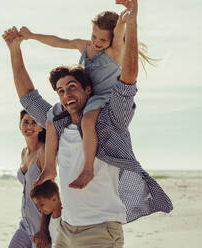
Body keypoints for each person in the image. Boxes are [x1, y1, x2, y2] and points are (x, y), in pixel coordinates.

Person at [2, 0, 173, 247]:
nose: (66, 95)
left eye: (72, 87)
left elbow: (129, 77)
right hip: (64, 227)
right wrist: (15, 48)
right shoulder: (59, 122)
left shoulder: (110, 120)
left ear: (87, 89)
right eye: (61, 91)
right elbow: (28, 97)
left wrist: (130, 23)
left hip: (99, 229)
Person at [19, 0, 155, 189]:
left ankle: (88, 169)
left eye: (103, 40)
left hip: (102, 100)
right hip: (82, 98)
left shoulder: (115, 52)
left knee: (87, 121)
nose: (97, 42)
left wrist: (124, 21)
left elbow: (120, 34)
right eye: (94, 36)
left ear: (113, 38)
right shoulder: (85, 46)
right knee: (51, 118)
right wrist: (31, 36)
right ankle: (50, 167)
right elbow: (59, 41)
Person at [8, 110, 48, 248]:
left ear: (40, 127)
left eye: (34, 122)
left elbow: (49, 194)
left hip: (40, 226)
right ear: (20, 125)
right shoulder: (24, 152)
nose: (29, 126)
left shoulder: (43, 151)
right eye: (26, 122)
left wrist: (43, 230)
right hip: (25, 225)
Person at [30, 180, 62, 246]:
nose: (39, 209)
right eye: (38, 205)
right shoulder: (52, 218)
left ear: (54, 199)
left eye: (41, 204)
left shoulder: (66, 219)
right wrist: (39, 239)